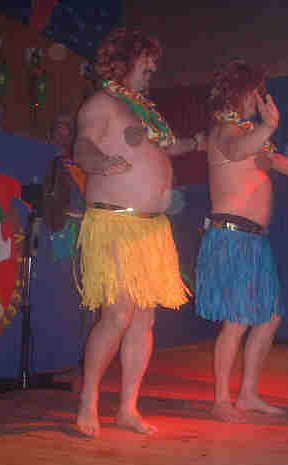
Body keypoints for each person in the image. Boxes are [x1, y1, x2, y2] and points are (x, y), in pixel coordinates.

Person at [73, 27, 203, 438]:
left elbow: (166, 145)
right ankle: (88, 402)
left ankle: (128, 408)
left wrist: (196, 142)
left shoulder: (144, 111)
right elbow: (82, 146)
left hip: (151, 228)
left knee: (143, 319)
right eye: (147, 62)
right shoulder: (103, 103)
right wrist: (100, 162)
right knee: (117, 314)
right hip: (116, 223)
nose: (153, 70)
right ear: (126, 61)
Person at [195, 59, 288, 422]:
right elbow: (238, 151)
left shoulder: (250, 132)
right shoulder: (225, 130)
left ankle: (248, 394)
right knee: (238, 319)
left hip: (254, 240)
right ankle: (221, 401)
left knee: (269, 317)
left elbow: (280, 163)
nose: (260, 97)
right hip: (231, 236)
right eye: (257, 91)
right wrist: (269, 126)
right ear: (241, 92)